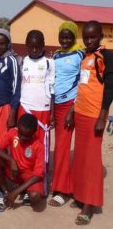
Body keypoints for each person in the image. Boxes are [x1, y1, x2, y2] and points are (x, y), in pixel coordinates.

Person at [66, 21, 113, 225]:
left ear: (100, 37)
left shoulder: (107, 56)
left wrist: (103, 116)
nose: (89, 40)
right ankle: (80, 195)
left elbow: (110, 88)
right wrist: (71, 110)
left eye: (93, 37)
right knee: (81, 157)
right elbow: (82, 86)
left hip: (95, 115)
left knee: (92, 161)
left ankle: (89, 205)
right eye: (85, 37)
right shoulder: (85, 56)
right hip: (81, 113)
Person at [49, 21, 84, 207]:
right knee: (61, 149)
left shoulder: (80, 54)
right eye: (62, 36)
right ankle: (62, 187)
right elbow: (53, 84)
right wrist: (53, 111)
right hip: (59, 105)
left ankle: (65, 190)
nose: (65, 40)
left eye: (69, 36)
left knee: (77, 149)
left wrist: (72, 109)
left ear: (74, 37)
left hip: (73, 105)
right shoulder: (55, 55)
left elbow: (83, 84)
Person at [18, 30, 55, 178]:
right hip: (25, 107)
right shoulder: (22, 62)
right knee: (25, 141)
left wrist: (52, 112)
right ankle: (24, 174)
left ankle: (40, 175)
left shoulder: (49, 63)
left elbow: (52, 88)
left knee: (41, 144)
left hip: (43, 109)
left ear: (43, 45)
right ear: (26, 46)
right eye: (31, 46)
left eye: (37, 46)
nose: (34, 50)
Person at [0, 113, 45, 212]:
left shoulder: (39, 146)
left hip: (29, 176)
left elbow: (37, 175)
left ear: (34, 133)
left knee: (35, 197)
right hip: (14, 172)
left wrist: (16, 192)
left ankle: (24, 191)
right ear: (17, 128)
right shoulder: (12, 132)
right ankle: (6, 192)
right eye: (20, 134)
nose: (22, 138)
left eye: (27, 136)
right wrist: (11, 160)